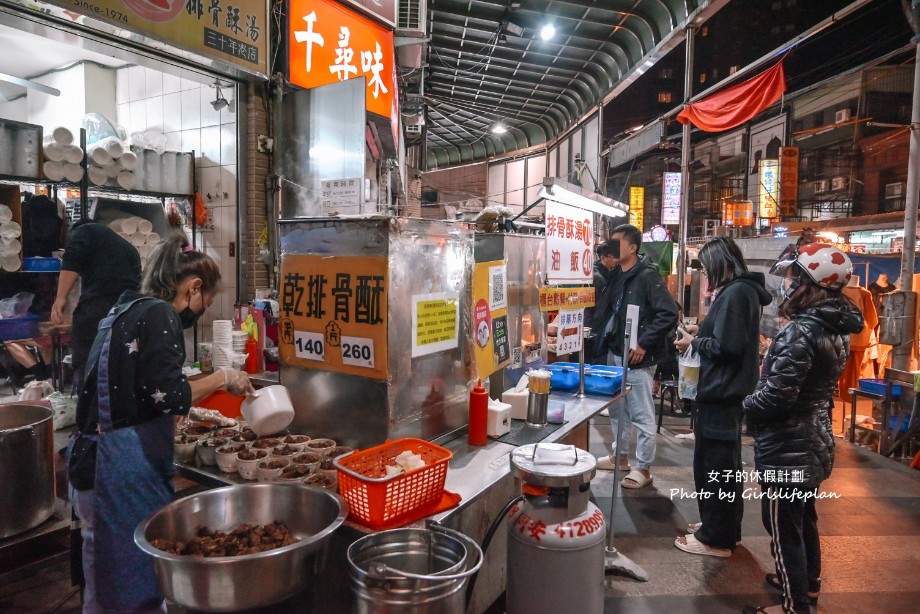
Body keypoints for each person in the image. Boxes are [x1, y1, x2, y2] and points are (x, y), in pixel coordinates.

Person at [67, 237, 254, 613]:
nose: (199, 312)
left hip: (94, 461)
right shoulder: (159, 315)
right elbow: (168, 396)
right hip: (119, 472)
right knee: (131, 585)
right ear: (193, 287)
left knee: (104, 583)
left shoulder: (125, 307)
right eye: (205, 301)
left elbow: (141, 390)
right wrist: (223, 378)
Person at [742, 243, 863, 614]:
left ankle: (795, 606)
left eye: (794, 276)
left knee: (782, 526)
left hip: (789, 441)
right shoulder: (834, 326)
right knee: (803, 517)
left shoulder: (801, 331)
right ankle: (806, 586)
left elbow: (777, 396)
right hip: (813, 437)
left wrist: (744, 407)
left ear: (809, 284)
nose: (787, 283)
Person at [673, 236, 772, 558]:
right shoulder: (741, 293)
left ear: (719, 264)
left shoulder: (735, 294)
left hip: (722, 392)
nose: (704, 273)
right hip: (726, 392)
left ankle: (716, 539)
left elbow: (727, 347)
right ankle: (719, 526)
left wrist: (694, 342)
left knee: (716, 466)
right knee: (719, 466)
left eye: (705, 267)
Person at [590, 224, 678, 487]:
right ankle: (621, 456)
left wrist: (643, 343)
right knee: (618, 410)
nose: (613, 248)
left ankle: (644, 468)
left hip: (638, 357)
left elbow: (669, 313)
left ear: (632, 248)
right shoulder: (618, 273)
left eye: (618, 243)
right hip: (615, 351)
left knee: (641, 414)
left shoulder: (648, 276)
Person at [51, 219, 142, 389]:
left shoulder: (85, 230)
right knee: (120, 362)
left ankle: (88, 400)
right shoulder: (125, 246)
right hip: (130, 310)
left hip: (99, 309)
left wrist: (60, 297)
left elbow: (73, 256)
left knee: (89, 360)